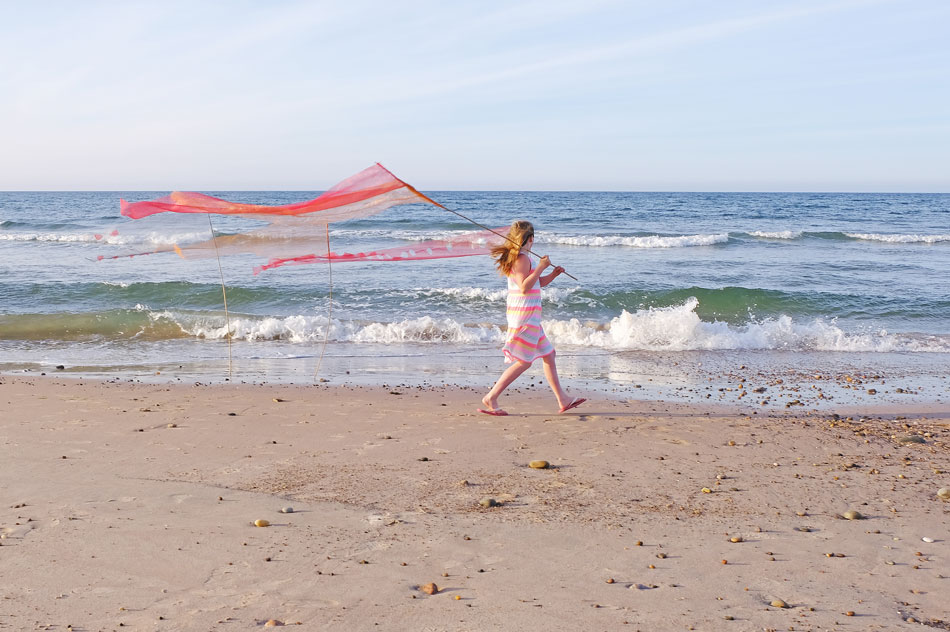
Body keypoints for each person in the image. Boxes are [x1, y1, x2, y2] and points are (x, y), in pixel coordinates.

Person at [478, 220, 586, 416]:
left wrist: (553, 274)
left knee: (549, 355)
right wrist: (541, 267)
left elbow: (536, 283)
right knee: (524, 362)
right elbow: (524, 287)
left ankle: (563, 399)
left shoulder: (524, 258)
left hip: (531, 317)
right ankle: (491, 397)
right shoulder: (522, 259)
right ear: (531, 239)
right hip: (525, 317)